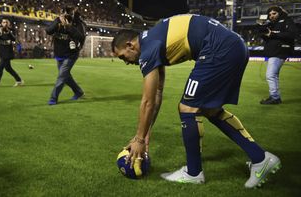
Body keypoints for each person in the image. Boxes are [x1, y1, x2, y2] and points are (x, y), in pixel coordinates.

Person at [112, 14, 281, 188]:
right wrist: (145, 133)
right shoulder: (154, 40)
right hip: (234, 47)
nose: (126, 62)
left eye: (123, 57)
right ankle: (260, 158)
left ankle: (193, 173)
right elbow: (156, 94)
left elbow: (147, 101)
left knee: (187, 108)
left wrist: (138, 140)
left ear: (130, 45)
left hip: (218, 50)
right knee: (210, 110)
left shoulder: (148, 50)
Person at [46, 6, 86, 105]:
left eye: (68, 12)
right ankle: (78, 92)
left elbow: (81, 37)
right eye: (64, 12)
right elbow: (48, 31)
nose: (66, 14)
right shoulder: (57, 21)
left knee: (61, 76)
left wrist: (69, 27)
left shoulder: (77, 23)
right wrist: (57, 21)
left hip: (71, 55)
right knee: (66, 77)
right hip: (59, 54)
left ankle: (53, 98)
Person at [259, 6, 298, 104]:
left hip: (280, 51)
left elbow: (293, 34)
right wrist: (263, 33)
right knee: (273, 75)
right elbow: (268, 37)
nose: (271, 16)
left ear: (279, 13)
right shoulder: (271, 24)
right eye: (270, 14)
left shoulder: (287, 20)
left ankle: (275, 98)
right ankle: (275, 97)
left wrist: (273, 34)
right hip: (274, 51)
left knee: (270, 75)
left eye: (274, 13)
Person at [0, 19, 23, 88]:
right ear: (1, 23)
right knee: (8, 68)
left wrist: (8, 32)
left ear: (8, 24)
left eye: (6, 22)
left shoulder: (10, 31)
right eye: (3, 22)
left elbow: (14, 39)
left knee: (0, 68)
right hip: (2, 52)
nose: (5, 23)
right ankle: (19, 80)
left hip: (8, 52)